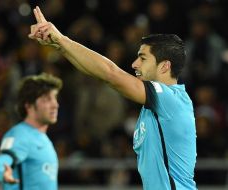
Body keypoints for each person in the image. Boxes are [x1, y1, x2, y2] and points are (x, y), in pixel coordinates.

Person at [29, 6, 197, 190]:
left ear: (165, 66)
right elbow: (101, 75)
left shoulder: (171, 99)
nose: (134, 64)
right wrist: (60, 46)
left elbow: (111, 74)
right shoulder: (156, 106)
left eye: (143, 58)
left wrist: (62, 39)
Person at [0, 73, 63, 190]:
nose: (55, 104)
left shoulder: (43, 138)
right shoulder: (20, 135)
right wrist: (4, 172)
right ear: (28, 105)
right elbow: (0, 162)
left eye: (55, 98)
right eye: (47, 99)